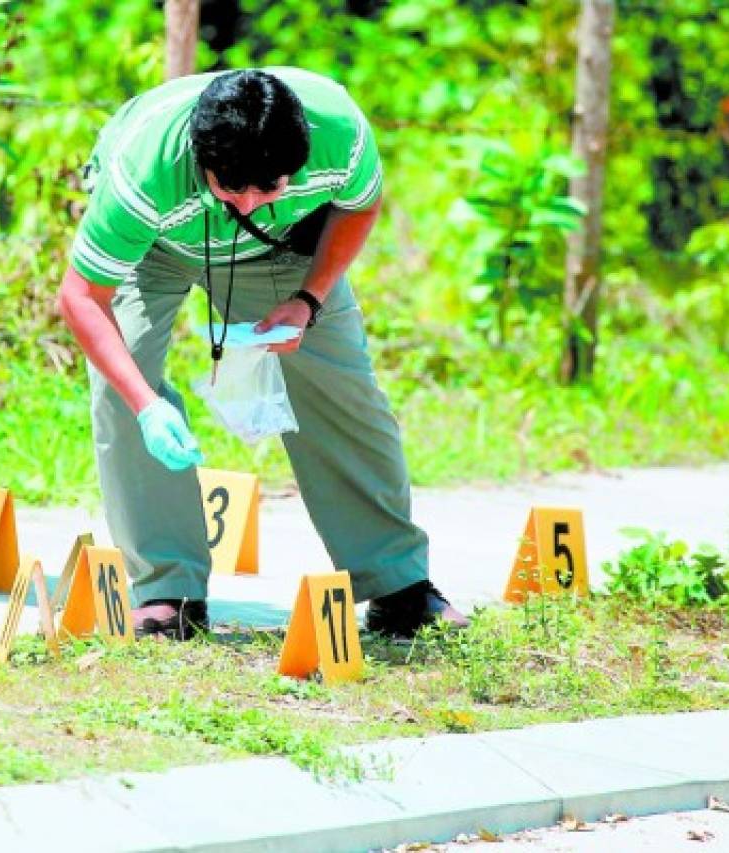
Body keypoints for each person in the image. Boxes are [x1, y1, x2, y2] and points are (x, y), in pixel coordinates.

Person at [56, 67, 468, 639]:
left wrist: (309, 299)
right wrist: (147, 405)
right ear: (201, 162)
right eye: (232, 189)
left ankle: (398, 585)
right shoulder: (142, 172)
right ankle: (167, 591)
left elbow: (358, 207)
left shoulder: (339, 133)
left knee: (342, 385)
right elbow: (81, 297)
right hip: (154, 246)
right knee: (122, 386)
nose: (248, 203)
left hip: (275, 252)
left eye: (267, 188)